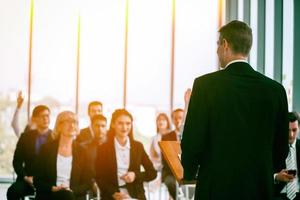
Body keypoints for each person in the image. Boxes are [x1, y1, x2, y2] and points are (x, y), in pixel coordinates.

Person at [181, 20, 289, 200]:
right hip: (259, 190)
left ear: (225, 44)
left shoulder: (205, 86)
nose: (216, 51)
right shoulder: (275, 90)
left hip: (215, 189)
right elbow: (281, 149)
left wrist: (190, 173)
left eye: (217, 45)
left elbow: (193, 141)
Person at [95, 109, 157, 200]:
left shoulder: (138, 147)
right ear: (113, 124)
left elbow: (152, 173)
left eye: (128, 123)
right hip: (113, 195)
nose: (124, 127)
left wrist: (135, 175)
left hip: (135, 195)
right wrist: (113, 193)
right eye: (120, 123)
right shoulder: (103, 149)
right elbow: (99, 177)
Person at [34, 111, 92, 200]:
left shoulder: (82, 151)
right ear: (59, 126)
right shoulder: (46, 149)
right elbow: (37, 180)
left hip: (73, 195)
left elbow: (87, 183)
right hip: (50, 194)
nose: (72, 125)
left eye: (74, 122)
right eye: (68, 122)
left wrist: (71, 190)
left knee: (67, 195)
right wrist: (52, 188)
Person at [7, 105, 52, 200]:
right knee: (12, 191)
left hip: (49, 181)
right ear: (35, 119)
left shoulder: (56, 137)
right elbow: (17, 161)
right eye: (42, 116)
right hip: (28, 179)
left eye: (47, 115)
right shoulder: (25, 137)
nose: (46, 119)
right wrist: (25, 177)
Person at [274, 112, 300, 200]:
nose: (291, 135)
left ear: (299, 128)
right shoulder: (274, 149)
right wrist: (277, 177)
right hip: (279, 196)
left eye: (294, 130)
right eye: (288, 130)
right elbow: (262, 177)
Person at [161, 108, 184, 200]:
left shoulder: (191, 135)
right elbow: (165, 159)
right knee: (170, 182)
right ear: (172, 120)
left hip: (189, 171)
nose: (178, 120)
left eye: (180, 118)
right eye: (175, 118)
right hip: (171, 172)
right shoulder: (166, 137)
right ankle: (180, 198)